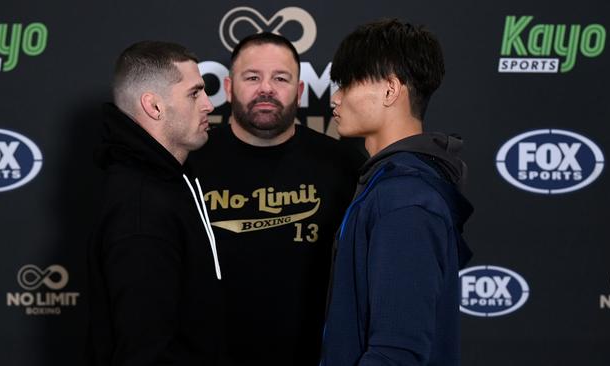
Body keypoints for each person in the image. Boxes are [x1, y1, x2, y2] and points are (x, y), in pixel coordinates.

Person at [187, 32, 364, 366]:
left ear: (299, 91)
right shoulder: (189, 162)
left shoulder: (343, 165)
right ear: (227, 88)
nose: (266, 88)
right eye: (252, 77)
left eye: (280, 78)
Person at [320, 19, 473, 366]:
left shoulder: (405, 198)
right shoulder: (391, 185)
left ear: (390, 90)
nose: (336, 97)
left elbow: (396, 353)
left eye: (347, 83)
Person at [87, 41, 226, 365]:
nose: (208, 104)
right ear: (154, 106)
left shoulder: (171, 179)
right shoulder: (140, 209)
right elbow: (145, 352)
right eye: (195, 93)